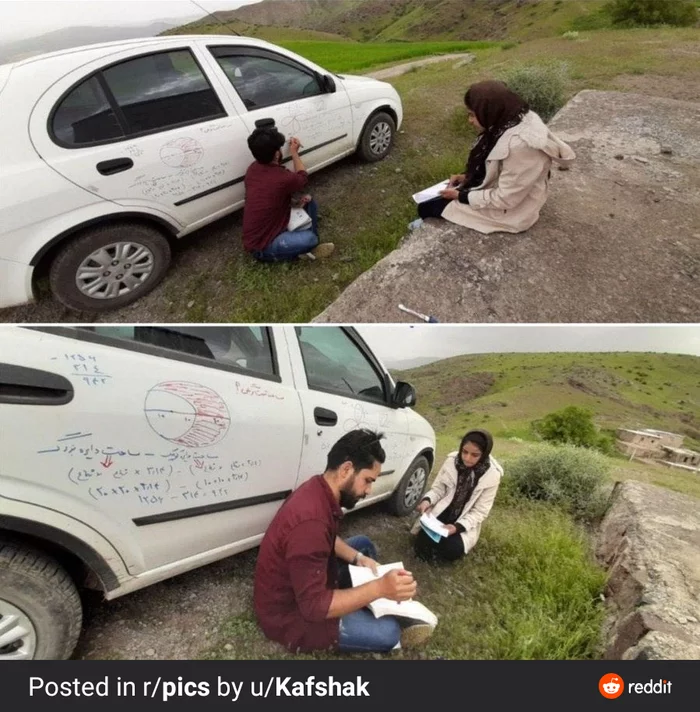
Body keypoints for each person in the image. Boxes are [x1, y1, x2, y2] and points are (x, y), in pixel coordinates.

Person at [253, 429, 434, 654]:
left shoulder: (317, 488)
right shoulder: (310, 523)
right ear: (346, 469)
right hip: (290, 614)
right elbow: (313, 608)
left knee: (363, 545)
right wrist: (379, 588)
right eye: (367, 481)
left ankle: (364, 599)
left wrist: (358, 558)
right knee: (389, 633)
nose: (369, 490)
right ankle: (371, 605)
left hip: (305, 578)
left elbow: (327, 538)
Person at [413, 80, 575, 234]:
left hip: (513, 209)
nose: (469, 121)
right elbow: (500, 166)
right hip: (507, 189)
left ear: (489, 110)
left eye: (472, 115)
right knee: (431, 201)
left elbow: (507, 198)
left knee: (427, 207)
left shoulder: (522, 146)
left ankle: (422, 225)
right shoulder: (510, 119)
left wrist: (460, 196)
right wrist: (467, 177)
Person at [242, 126, 335, 262]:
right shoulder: (282, 177)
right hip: (262, 246)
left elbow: (272, 196)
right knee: (310, 239)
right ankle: (305, 249)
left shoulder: (252, 169)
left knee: (309, 201)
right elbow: (302, 176)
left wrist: (295, 203)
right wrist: (294, 152)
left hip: (272, 225)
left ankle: (299, 241)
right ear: (277, 154)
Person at [411, 429, 502, 562]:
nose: (467, 458)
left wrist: (456, 527)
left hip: (463, 519)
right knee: (422, 543)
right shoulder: (452, 461)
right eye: (464, 452)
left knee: (452, 549)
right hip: (444, 510)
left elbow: (480, 511)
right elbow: (438, 488)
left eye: (474, 455)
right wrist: (427, 500)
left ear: (484, 454)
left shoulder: (492, 475)